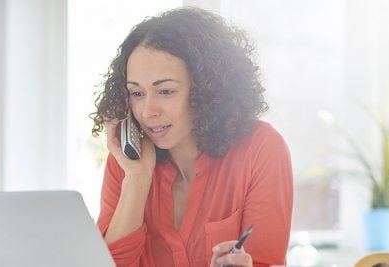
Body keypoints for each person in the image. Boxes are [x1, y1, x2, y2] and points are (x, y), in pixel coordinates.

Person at [89, 7, 293, 267]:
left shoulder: (261, 149)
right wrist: (137, 180)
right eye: (137, 93)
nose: (148, 111)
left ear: (207, 90)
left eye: (165, 91)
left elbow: (266, 261)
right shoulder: (126, 165)